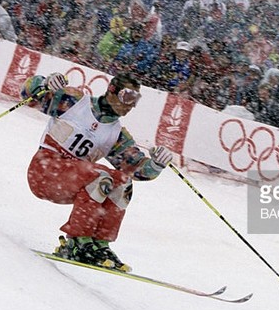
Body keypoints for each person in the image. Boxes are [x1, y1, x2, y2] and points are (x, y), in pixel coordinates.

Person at [21, 72, 174, 272]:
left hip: (74, 181)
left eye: (135, 101)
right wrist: (44, 84)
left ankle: (99, 244)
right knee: (99, 174)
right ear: (111, 91)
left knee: (123, 182)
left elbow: (137, 169)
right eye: (127, 97)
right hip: (45, 171)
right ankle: (77, 241)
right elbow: (28, 95)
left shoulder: (117, 134)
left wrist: (156, 164)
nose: (129, 106)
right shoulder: (75, 102)